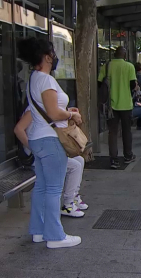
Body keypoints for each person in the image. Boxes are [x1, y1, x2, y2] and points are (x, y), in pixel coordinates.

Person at [17, 37, 82, 248]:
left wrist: (65, 112)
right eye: (52, 53)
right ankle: (55, 236)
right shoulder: (46, 80)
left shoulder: (33, 78)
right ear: (46, 56)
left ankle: (38, 230)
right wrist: (71, 115)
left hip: (37, 138)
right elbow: (54, 113)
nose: (55, 57)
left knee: (42, 188)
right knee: (54, 189)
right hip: (51, 139)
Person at [14, 108, 88, 218]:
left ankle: (73, 196)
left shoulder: (43, 107)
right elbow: (18, 129)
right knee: (75, 166)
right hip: (38, 154)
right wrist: (32, 148)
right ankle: (68, 203)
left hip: (47, 150)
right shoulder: (32, 110)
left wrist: (67, 111)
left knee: (79, 160)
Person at [98, 46, 137, 169]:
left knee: (112, 132)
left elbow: (99, 83)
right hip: (126, 104)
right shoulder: (129, 66)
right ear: (125, 55)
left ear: (115, 54)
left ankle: (113, 160)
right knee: (126, 131)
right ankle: (128, 155)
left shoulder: (107, 66)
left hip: (111, 106)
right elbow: (132, 85)